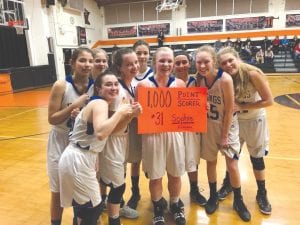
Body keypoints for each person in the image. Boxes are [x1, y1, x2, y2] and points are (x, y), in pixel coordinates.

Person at [58, 70, 134, 225]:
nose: (113, 87)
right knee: (93, 207)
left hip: (79, 156)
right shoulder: (99, 103)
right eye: (108, 84)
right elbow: (101, 133)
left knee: (84, 206)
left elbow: (102, 132)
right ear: (99, 89)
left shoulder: (96, 103)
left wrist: (130, 116)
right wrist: (120, 112)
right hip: (78, 159)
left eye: (115, 84)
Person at [195, 45, 251, 222]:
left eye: (206, 62)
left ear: (214, 62)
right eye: (199, 62)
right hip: (209, 126)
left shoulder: (225, 79)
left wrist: (225, 135)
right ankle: (213, 196)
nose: (202, 66)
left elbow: (228, 111)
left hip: (227, 126)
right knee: (210, 162)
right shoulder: (199, 79)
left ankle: (238, 201)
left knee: (232, 165)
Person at [217, 47, 273, 216]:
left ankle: (262, 193)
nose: (228, 65)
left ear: (237, 59)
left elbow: (269, 101)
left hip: (255, 120)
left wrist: (243, 106)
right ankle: (228, 184)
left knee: (257, 158)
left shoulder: (252, 74)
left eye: (230, 60)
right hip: (235, 121)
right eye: (223, 63)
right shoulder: (224, 78)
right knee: (232, 156)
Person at [137, 47, 186, 225]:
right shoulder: (143, 86)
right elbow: (140, 114)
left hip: (174, 134)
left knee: (175, 174)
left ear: (173, 64)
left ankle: (174, 204)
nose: (166, 64)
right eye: (162, 61)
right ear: (154, 62)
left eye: (169, 61)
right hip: (152, 136)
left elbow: (184, 111)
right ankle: (158, 207)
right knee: (156, 176)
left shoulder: (179, 84)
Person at [47, 47, 95, 225]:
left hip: (81, 143)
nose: (87, 65)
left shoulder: (95, 86)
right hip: (60, 140)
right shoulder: (61, 85)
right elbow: (52, 119)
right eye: (82, 60)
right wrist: (73, 106)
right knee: (57, 189)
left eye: (90, 61)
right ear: (72, 63)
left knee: (79, 187)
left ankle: (78, 220)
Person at [98, 48, 142, 225]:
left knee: (115, 177)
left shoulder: (130, 85)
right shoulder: (117, 90)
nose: (134, 66)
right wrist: (132, 115)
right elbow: (112, 127)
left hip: (122, 139)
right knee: (117, 183)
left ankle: (110, 206)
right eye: (129, 64)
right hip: (113, 141)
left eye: (136, 63)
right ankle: (113, 217)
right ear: (119, 67)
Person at [173, 51, 207, 206]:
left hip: (192, 126)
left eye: (184, 62)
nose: (181, 66)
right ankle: (175, 195)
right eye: (177, 63)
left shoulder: (198, 81)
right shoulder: (169, 83)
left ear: (190, 63)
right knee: (174, 161)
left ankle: (194, 190)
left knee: (192, 159)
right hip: (173, 127)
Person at [126, 40, 154, 210]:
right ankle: (135, 192)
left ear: (149, 54)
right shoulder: (128, 76)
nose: (142, 56)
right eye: (139, 53)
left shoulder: (155, 73)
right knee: (135, 161)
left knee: (153, 162)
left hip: (152, 125)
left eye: (145, 53)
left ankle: (155, 195)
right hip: (134, 125)